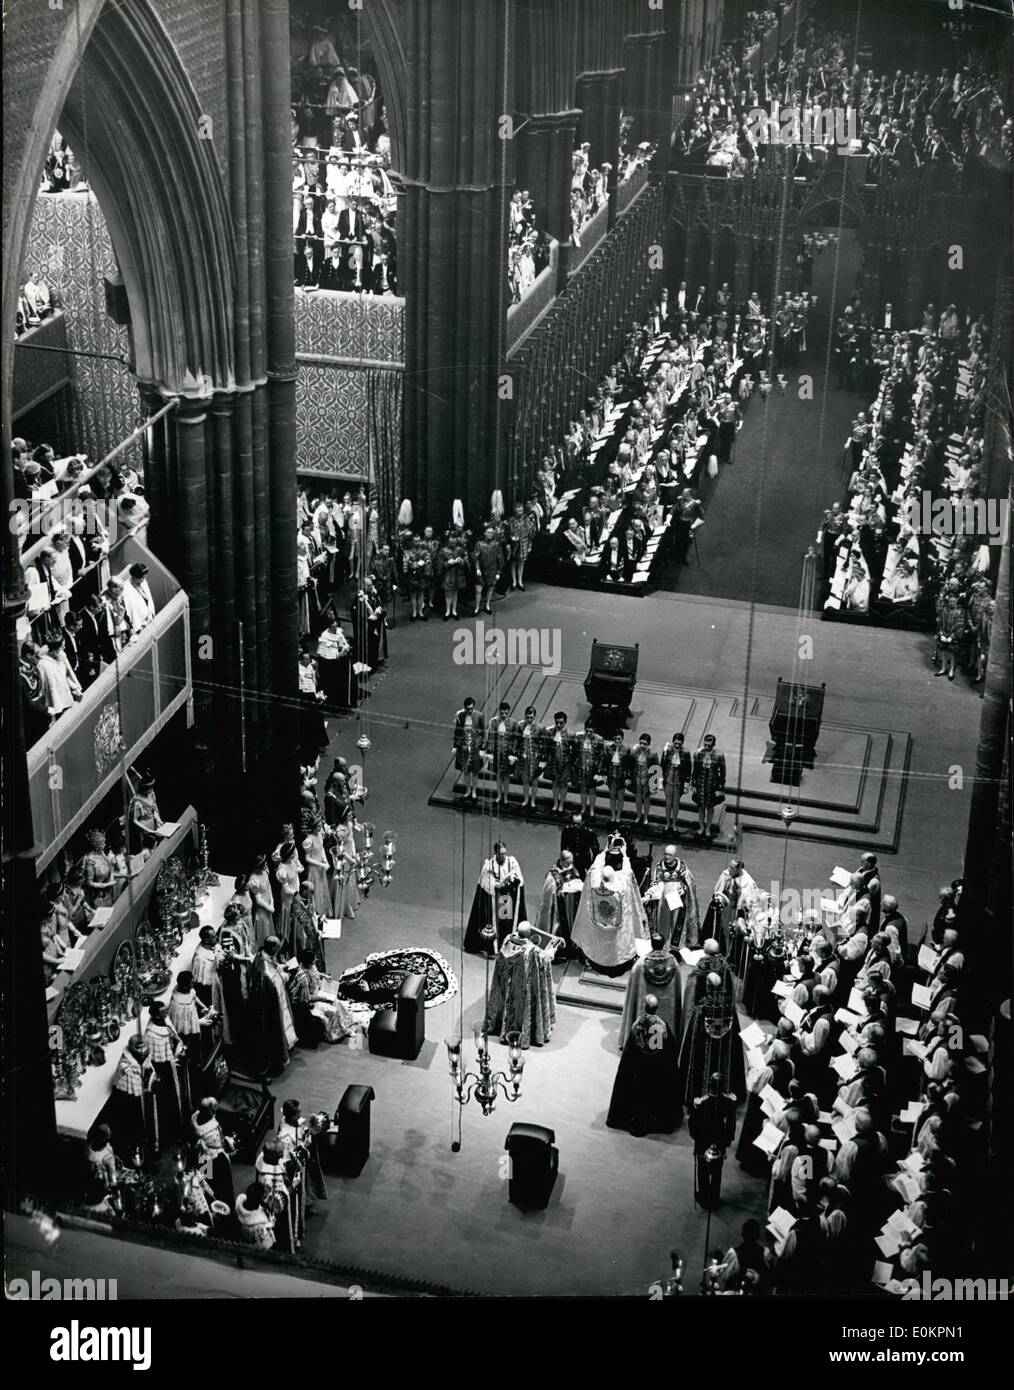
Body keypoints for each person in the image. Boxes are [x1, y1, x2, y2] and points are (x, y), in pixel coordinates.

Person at [606, 995, 682, 1136]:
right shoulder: (662, 1026)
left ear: (645, 1007)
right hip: (656, 1070)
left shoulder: (637, 1025)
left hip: (638, 1070)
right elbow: (666, 1052)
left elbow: (630, 1052)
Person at [618, 933, 682, 1050]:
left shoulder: (640, 965)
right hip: (666, 1024)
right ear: (663, 945)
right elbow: (677, 995)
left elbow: (632, 994)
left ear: (651, 944)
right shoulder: (674, 964)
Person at [464, 841, 526, 956]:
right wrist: (497, 885)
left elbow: (519, 878)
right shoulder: (489, 866)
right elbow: (486, 883)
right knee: (496, 924)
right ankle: (494, 947)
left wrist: (512, 881)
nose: (503, 856)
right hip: (494, 901)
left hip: (506, 900)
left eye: (504, 853)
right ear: (496, 853)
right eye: (501, 854)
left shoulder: (512, 862)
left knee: (506, 923)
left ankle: (507, 944)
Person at [247, 936, 298, 1076]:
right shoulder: (263, 965)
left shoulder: (265, 956)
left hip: (275, 999)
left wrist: (282, 968)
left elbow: (275, 971)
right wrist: (287, 976)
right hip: (269, 1006)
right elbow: (273, 981)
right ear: (273, 948)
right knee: (273, 1031)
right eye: (278, 947)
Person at [689, 1073, 738, 1209]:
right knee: (717, 1171)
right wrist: (728, 1139)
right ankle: (714, 1198)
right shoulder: (728, 1102)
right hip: (719, 1139)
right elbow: (731, 1123)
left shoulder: (701, 1103)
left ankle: (704, 1197)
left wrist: (695, 1137)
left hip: (703, 1139)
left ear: (709, 1086)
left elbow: (693, 1123)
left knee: (702, 1170)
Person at [289, 947, 355, 1045]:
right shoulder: (303, 977)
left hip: (317, 992)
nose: (316, 960)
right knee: (332, 1010)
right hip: (309, 1002)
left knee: (337, 1002)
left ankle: (346, 1026)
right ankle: (335, 1034)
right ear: (308, 962)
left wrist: (324, 976)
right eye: (314, 959)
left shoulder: (309, 966)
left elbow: (315, 973)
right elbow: (306, 998)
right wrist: (323, 999)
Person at [641, 843, 701, 949]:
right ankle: (662, 944)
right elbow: (655, 883)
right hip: (663, 900)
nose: (667, 857)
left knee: (675, 923)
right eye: (665, 854)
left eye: (670, 855)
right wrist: (650, 895)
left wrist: (682, 889)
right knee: (662, 923)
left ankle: (674, 946)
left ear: (675, 855)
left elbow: (689, 884)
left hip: (676, 900)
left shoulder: (682, 867)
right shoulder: (660, 867)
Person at [534, 849, 583, 953]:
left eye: (572, 862)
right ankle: (556, 946)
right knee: (556, 925)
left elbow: (576, 876)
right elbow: (549, 889)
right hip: (557, 905)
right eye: (569, 862)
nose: (571, 865)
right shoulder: (553, 873)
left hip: (569, 901)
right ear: (563, 861)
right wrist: (558, 889)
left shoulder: (570, 867)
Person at [692, 733, 726, 842]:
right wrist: (693, 784)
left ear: (713, 745)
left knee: (710, 808)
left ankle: (708, 829)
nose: (707, 747)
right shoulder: (699, 754)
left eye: (709, 745)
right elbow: (695, 770)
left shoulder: (719, 755)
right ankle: (701, 827)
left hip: (712, 785)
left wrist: (720, 788)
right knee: (701, 807)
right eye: (705, 745)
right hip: (701, 784)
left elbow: (723, 772)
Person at [453, 696, 485, 801]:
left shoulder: (479, 716)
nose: (470, 710)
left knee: (475, 770)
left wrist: (482, 748)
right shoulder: (460, 716)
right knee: (466, 770)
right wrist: (455, 746)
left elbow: (483, 732)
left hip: (475, 746)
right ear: (465, 708)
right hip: (464, 746)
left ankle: (474, 792)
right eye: (468, 708)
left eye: (471, 708)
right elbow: (457, 732)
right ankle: (467, 791)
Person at [485, 700, 517, 805]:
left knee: (506, 776)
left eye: (506, 713)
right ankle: (499, 796)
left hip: (507, 754)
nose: (504, 715)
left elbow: (515, 739)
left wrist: (513, 754)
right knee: (498, 775)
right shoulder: (494, 722)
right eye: (502, 713)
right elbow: (490, 738)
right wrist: (489, 752)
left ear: (508, 712)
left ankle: (506, 798)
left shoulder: (513, 723)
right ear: (499, 711)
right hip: (497, 753)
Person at [661, 731, 691, 834]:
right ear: (673, 742)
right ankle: (667, 823)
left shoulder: (686, 753)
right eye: (675, 743)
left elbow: (688, 768)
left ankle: (674, 824)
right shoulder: (667, 751)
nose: (677, 745)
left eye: (679, 743)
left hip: (679, 781)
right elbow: (662, 765)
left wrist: (687, 783)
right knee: (668, 802)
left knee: (676, 803)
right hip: (668, 779)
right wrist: (660, 780)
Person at [544, 710, 573, 815]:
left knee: (564, 784)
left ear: (565, 722)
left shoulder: (570, 734)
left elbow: (574, 750)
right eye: (557, 722)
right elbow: (547, 747)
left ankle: (561, 806)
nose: (559, 725)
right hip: (553, 761)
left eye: (561, 723)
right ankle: (555, 804)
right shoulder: (550, 732)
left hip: (565, 763)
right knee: (554, 783)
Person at [515, 705, 542, 810]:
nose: (529, 719)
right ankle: (526, 800)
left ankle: (533, 801)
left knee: (534, 780)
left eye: (531, 717)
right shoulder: (521, 726)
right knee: (525, 780)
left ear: (535, 716)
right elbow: (517, 740)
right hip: (523, 757)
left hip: (534, 758)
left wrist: (541, 760)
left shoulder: (540, 728)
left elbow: (543, 744)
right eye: (527, 717)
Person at [235, 1182, 275, 1250]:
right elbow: (266, 1246)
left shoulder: (239, 1208)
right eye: (263, 1196)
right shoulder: (259, 1227)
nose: (265, 1198)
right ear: (258, 1200)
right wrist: (270, 1222)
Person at [630, 732, 658, 825]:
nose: (642, 745)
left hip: (647, 779)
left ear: (649, 744)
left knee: (646, 798)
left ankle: (646, 817)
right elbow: (631, 765)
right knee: (638, 798)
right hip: (637, 778)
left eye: (644, 744)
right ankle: (638, 815)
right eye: (641, 743)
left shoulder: (653, 754)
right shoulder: (635, 751)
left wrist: (654, 784)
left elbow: (655, 768)